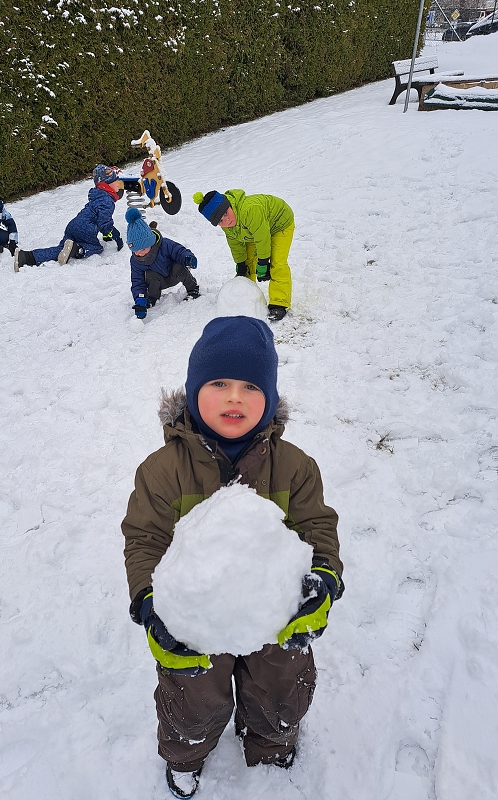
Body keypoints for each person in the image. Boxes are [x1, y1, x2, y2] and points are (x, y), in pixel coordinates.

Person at [121, 316, 343, 798]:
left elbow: (317, 527)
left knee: (279, 683)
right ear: (193, 390)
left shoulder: (295, 467)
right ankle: (187, 750)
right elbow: (143, 540)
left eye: (250, 386)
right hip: (194, 620)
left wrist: (322, 578)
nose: (235, 397)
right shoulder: (162, 473)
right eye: (219, 383)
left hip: (277, 613)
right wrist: (149, 601)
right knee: (192, 692)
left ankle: (271, 738)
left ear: (269, 396)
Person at [193, 190, 294, 322]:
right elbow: (235, 244)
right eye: (220, 221)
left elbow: (262, 238)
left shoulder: (250, 210)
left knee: (277, 263)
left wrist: (263, 262)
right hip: (253, 230)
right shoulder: (227, 225)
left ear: (229, 205)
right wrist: (241, 264)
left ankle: (279, 303)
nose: (226, 220)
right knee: (247, 264)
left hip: (280, 223)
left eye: (225, 213)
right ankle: (242, 296)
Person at [13, 164, 125, 271]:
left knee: (60, 249)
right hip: (86, 229)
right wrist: (116, 236)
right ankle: (77, 250)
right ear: (106, 185)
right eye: (115, 182)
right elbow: (104, 223)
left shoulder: (98, 196)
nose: (118, 184)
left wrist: (107, 235)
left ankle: (27, 257)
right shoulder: (107, 201)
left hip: (73, 226)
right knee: (96, 247)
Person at [125, 208, 199, 319]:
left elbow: (178, 251)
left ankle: (193, 289)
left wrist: (188, 258)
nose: (139, 253)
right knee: (149, 275)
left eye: (143, 249)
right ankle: (152, 298)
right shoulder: (135, 261)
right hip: (158, 282)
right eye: (136, 250)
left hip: (173, 275)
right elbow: (137, 281)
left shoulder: (164, 245)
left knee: (179, 267)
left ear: (150, 242)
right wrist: (140, 300)